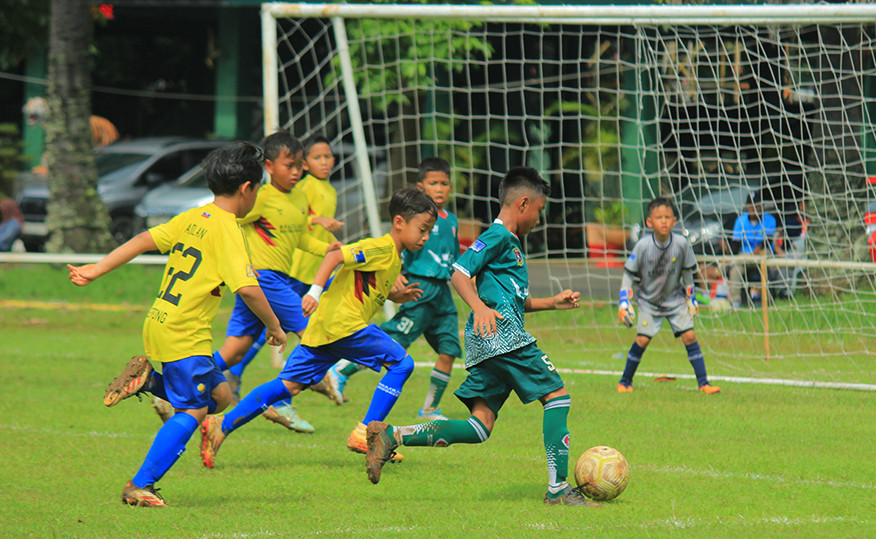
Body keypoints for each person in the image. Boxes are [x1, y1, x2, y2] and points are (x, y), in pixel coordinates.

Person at [362, 167, 600, 508]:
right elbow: (460, 272)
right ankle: (558, 489)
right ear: (523, 203)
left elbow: (513, 301)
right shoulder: (498, 236)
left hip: (488, 341)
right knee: (557, 397)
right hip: (503, 338)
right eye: (539, 209)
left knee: (480, 427)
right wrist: (479, 307)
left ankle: (391, 435)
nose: (539, 218)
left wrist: (552, 302)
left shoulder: (510, 244)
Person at [67, 141, 287, 507]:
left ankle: (149, 381)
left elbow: (143, 239)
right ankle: (140, 485)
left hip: (162, 321)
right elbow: (248, 289)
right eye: (258, 189)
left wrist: (97, 269)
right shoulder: (229, 230)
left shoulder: (193, 217)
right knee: (193, 411)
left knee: (221, 397)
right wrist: (276, 326)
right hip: (184, 333)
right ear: (247, 188)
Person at [199, 187, 438, 468]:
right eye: (422, 229)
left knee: (287, 386)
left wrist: (395, 296)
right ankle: (367, 434)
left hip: (326, 329)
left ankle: (222, 424)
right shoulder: (380, 247)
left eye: (428, 231)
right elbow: (335, 257)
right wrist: (313, 292)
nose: (425, 237)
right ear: (399, 222)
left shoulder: (394, 257)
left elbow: (363, 287)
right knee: (402, 364)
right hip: (344, 325)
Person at [210, 131, 339, 434]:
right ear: (268, 166)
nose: (295, 172)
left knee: (235, 351)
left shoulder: (300, 197)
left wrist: (328, 250)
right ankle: (281, 400)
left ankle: (173, 384)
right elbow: (226, 220)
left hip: (268, 280)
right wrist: (229, 262)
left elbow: (299, 237)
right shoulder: (261, 198)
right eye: (288, 165)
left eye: (298, 165)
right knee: (314, 332)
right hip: (264, 278)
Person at [331, 156, 462, 420]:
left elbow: (454, 257)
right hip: (419, 288)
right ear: (420, 187)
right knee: (395, 341)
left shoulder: (452, 221)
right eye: (433, 183)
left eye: (444, 183)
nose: (439, 189)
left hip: (443, 294)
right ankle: (340, 370)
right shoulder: (417, 221)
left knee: (449, 350)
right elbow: (399, 248)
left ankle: (429, 408)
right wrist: (399, 273)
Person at [616, 197, 721, 394]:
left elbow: (688, 273)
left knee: (689, 336)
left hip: (675, 300)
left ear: (674, 221)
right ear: (649, 222)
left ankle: (704, 383)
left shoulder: (681, 244)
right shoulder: (642, 246)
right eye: (658, 217)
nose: (663, 221)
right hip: (649, 302)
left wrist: (691, 298)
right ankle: (625, 381)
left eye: (667, 217)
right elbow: (628, 274)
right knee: (642, 340)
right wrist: (624, 302)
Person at [727, 189, 778, 308]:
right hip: (745, 257)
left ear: (762, 206)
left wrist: (758, 249)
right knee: (735, 269)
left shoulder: (770, 220)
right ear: (747, 207)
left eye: (757, 206)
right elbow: (735, 245)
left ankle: (768, 300)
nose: (754, 209)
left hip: (763, 256)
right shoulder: (740, 221)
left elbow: (767, 242)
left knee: (766, 263)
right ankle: (736, 301)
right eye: (752, 206)